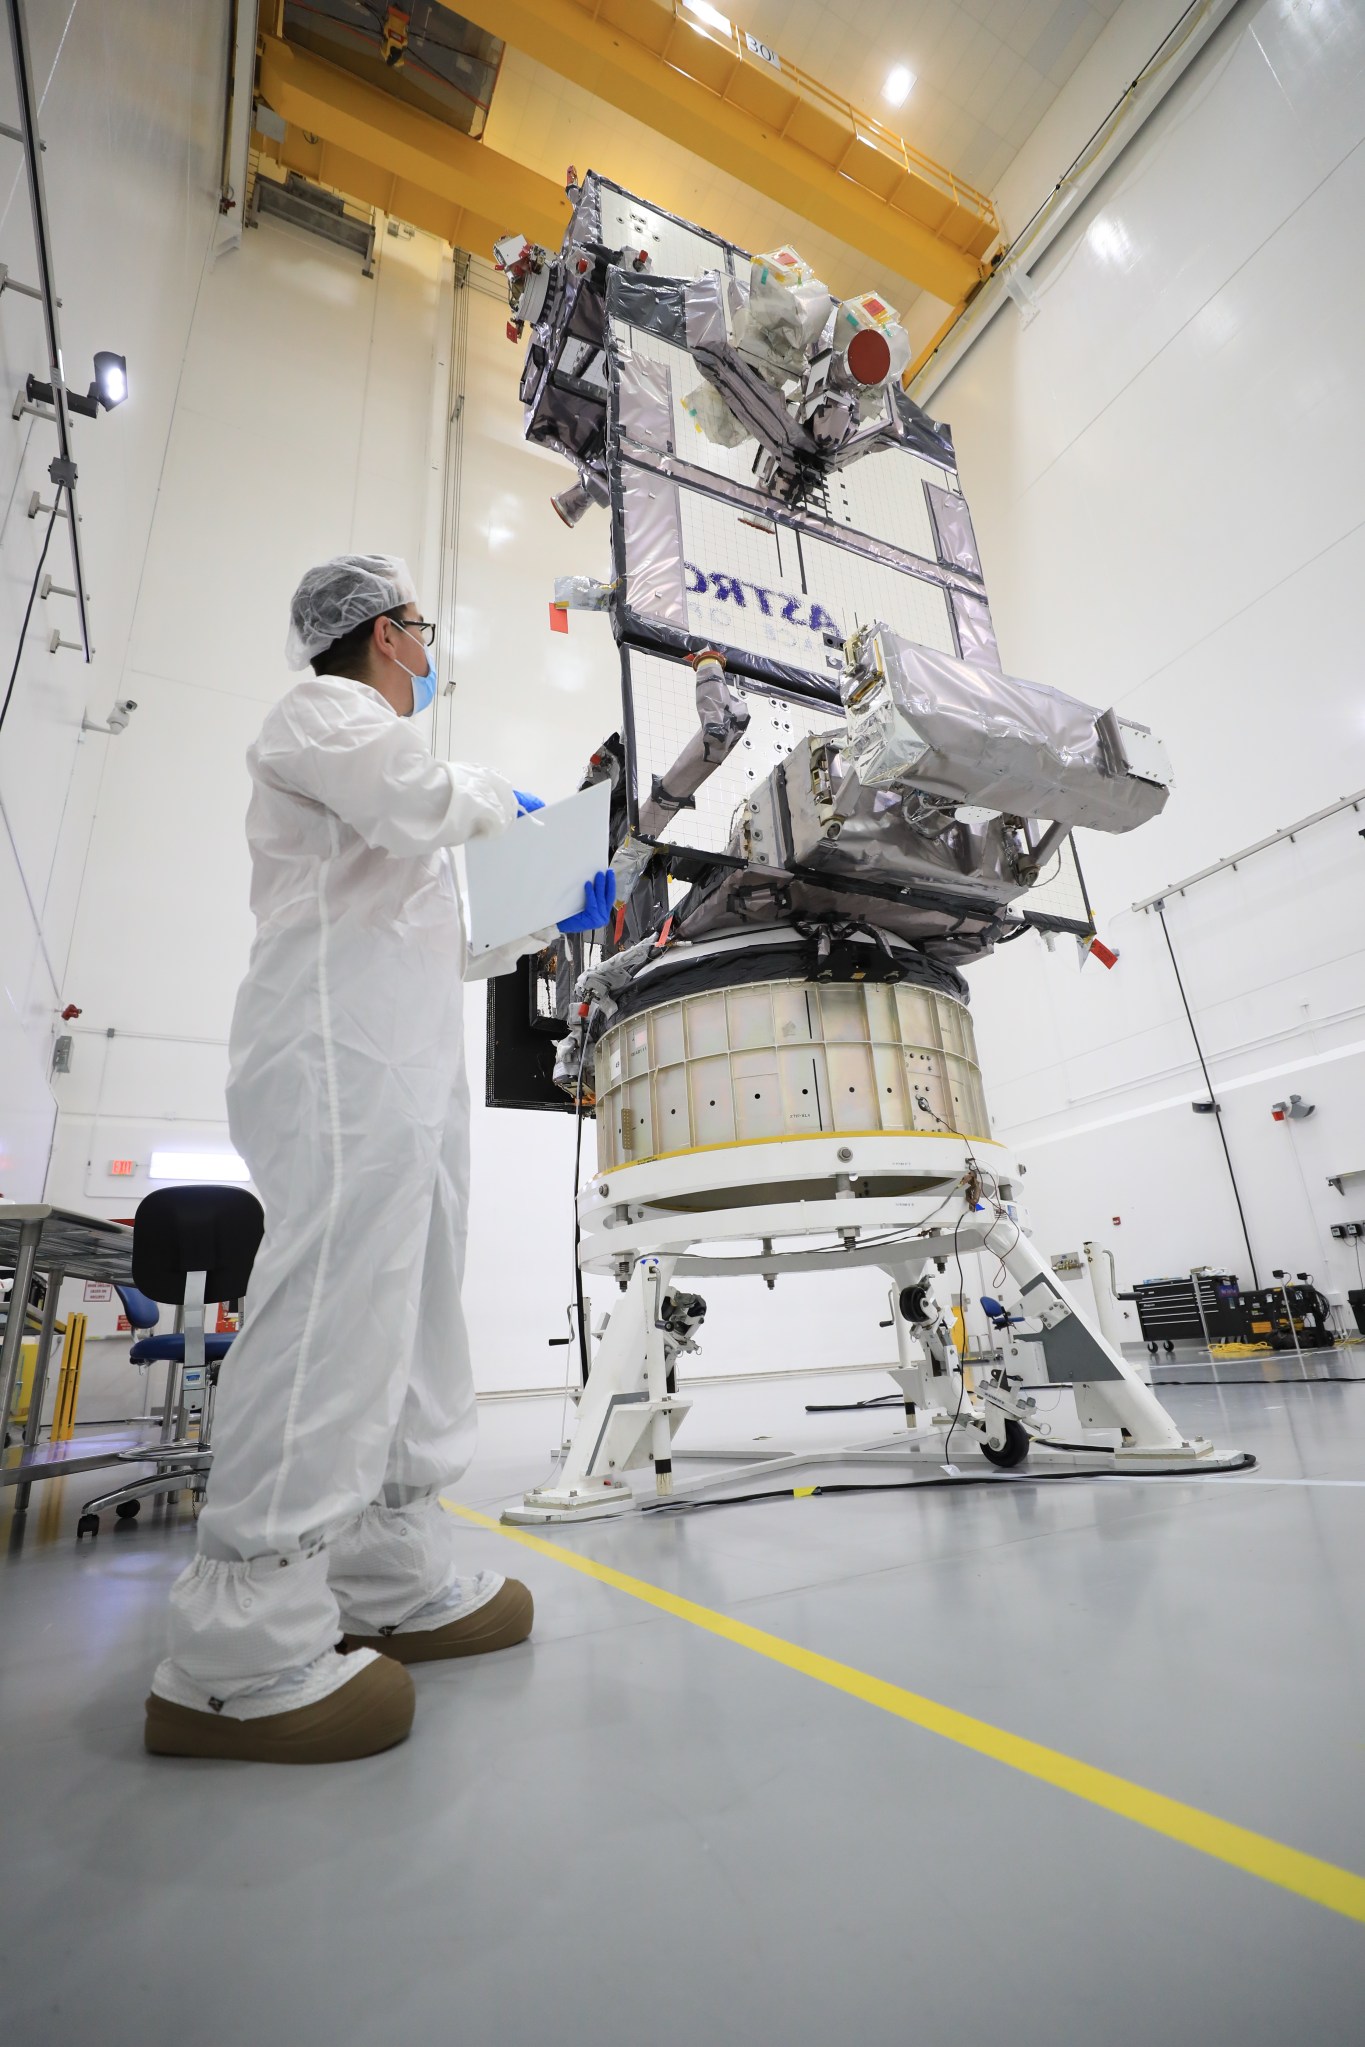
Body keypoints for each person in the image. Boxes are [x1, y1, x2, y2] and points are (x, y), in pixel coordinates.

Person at [144, 554, 614, 1763]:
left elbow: (434, 926)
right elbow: (419, 798)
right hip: (334, 1051)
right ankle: (237, 1647)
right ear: (387, 635)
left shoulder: (380, 768)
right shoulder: (326, 715)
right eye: (425, 625)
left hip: (403, 1059)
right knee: (336, 1306)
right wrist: (516, 808)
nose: (432, 644)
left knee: (410, 1307)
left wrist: (539, 901)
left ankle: (385, 1569)